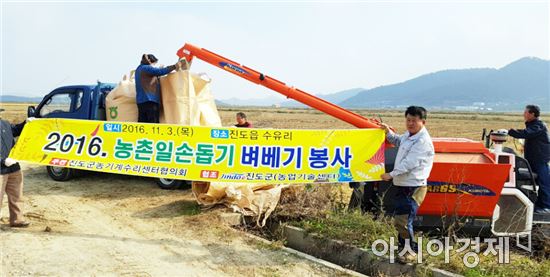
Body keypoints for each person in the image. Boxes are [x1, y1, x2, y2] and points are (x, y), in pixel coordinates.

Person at [380, 106, 434, 263]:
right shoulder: (409, 136)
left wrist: (390, 174)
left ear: (423, 122)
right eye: (408, 120)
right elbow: (398, 140)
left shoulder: (422, 141)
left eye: (414, 121)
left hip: (413, 187)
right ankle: (404, 249)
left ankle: (411, 252)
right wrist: (387, 132)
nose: (410, 123)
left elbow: (409, 164)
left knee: (403, 220)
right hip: (403, 185)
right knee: (401, 219)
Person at [508, 104, 550, 214]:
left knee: (543, 182)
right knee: (534, 182)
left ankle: (546, 207)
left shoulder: (539, 125)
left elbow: (526, 133)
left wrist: (511, 132)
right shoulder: (533, 125)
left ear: (532, 114)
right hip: (534, 158)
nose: (524, 114)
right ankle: (538, 204)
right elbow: (526, 132)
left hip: (540, 159)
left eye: (526, 112)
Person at [0, 110, 32, 228]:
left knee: (17, 195)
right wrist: (2, 161)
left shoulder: (5, 124)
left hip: (13, 167)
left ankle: (17, 220)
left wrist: (26, 123)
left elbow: (16, 130)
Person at [135, 54, 185, 123]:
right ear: (151, 62)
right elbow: (159, 72)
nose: (154, 67)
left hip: (141, 101)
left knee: (142, 125)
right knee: (153, 124)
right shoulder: (146, 68)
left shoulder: (139, 69)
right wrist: (174, 66)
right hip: (150, 100)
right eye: (154, 64)